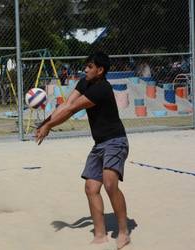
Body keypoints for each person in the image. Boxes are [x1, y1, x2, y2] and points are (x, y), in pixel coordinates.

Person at [35, 51, 130, 249]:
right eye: (86, 66)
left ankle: (123, 232)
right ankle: (100, 234)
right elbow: (67, 104)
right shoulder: (85, 83)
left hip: (115, 141)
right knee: (91, 188)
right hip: (99, 144)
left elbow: (72, 110)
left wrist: (48, 126)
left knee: (110, 184)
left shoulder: (102, 89)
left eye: (90, 67)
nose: (85, 69)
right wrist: (46, 122)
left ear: (100, 70)